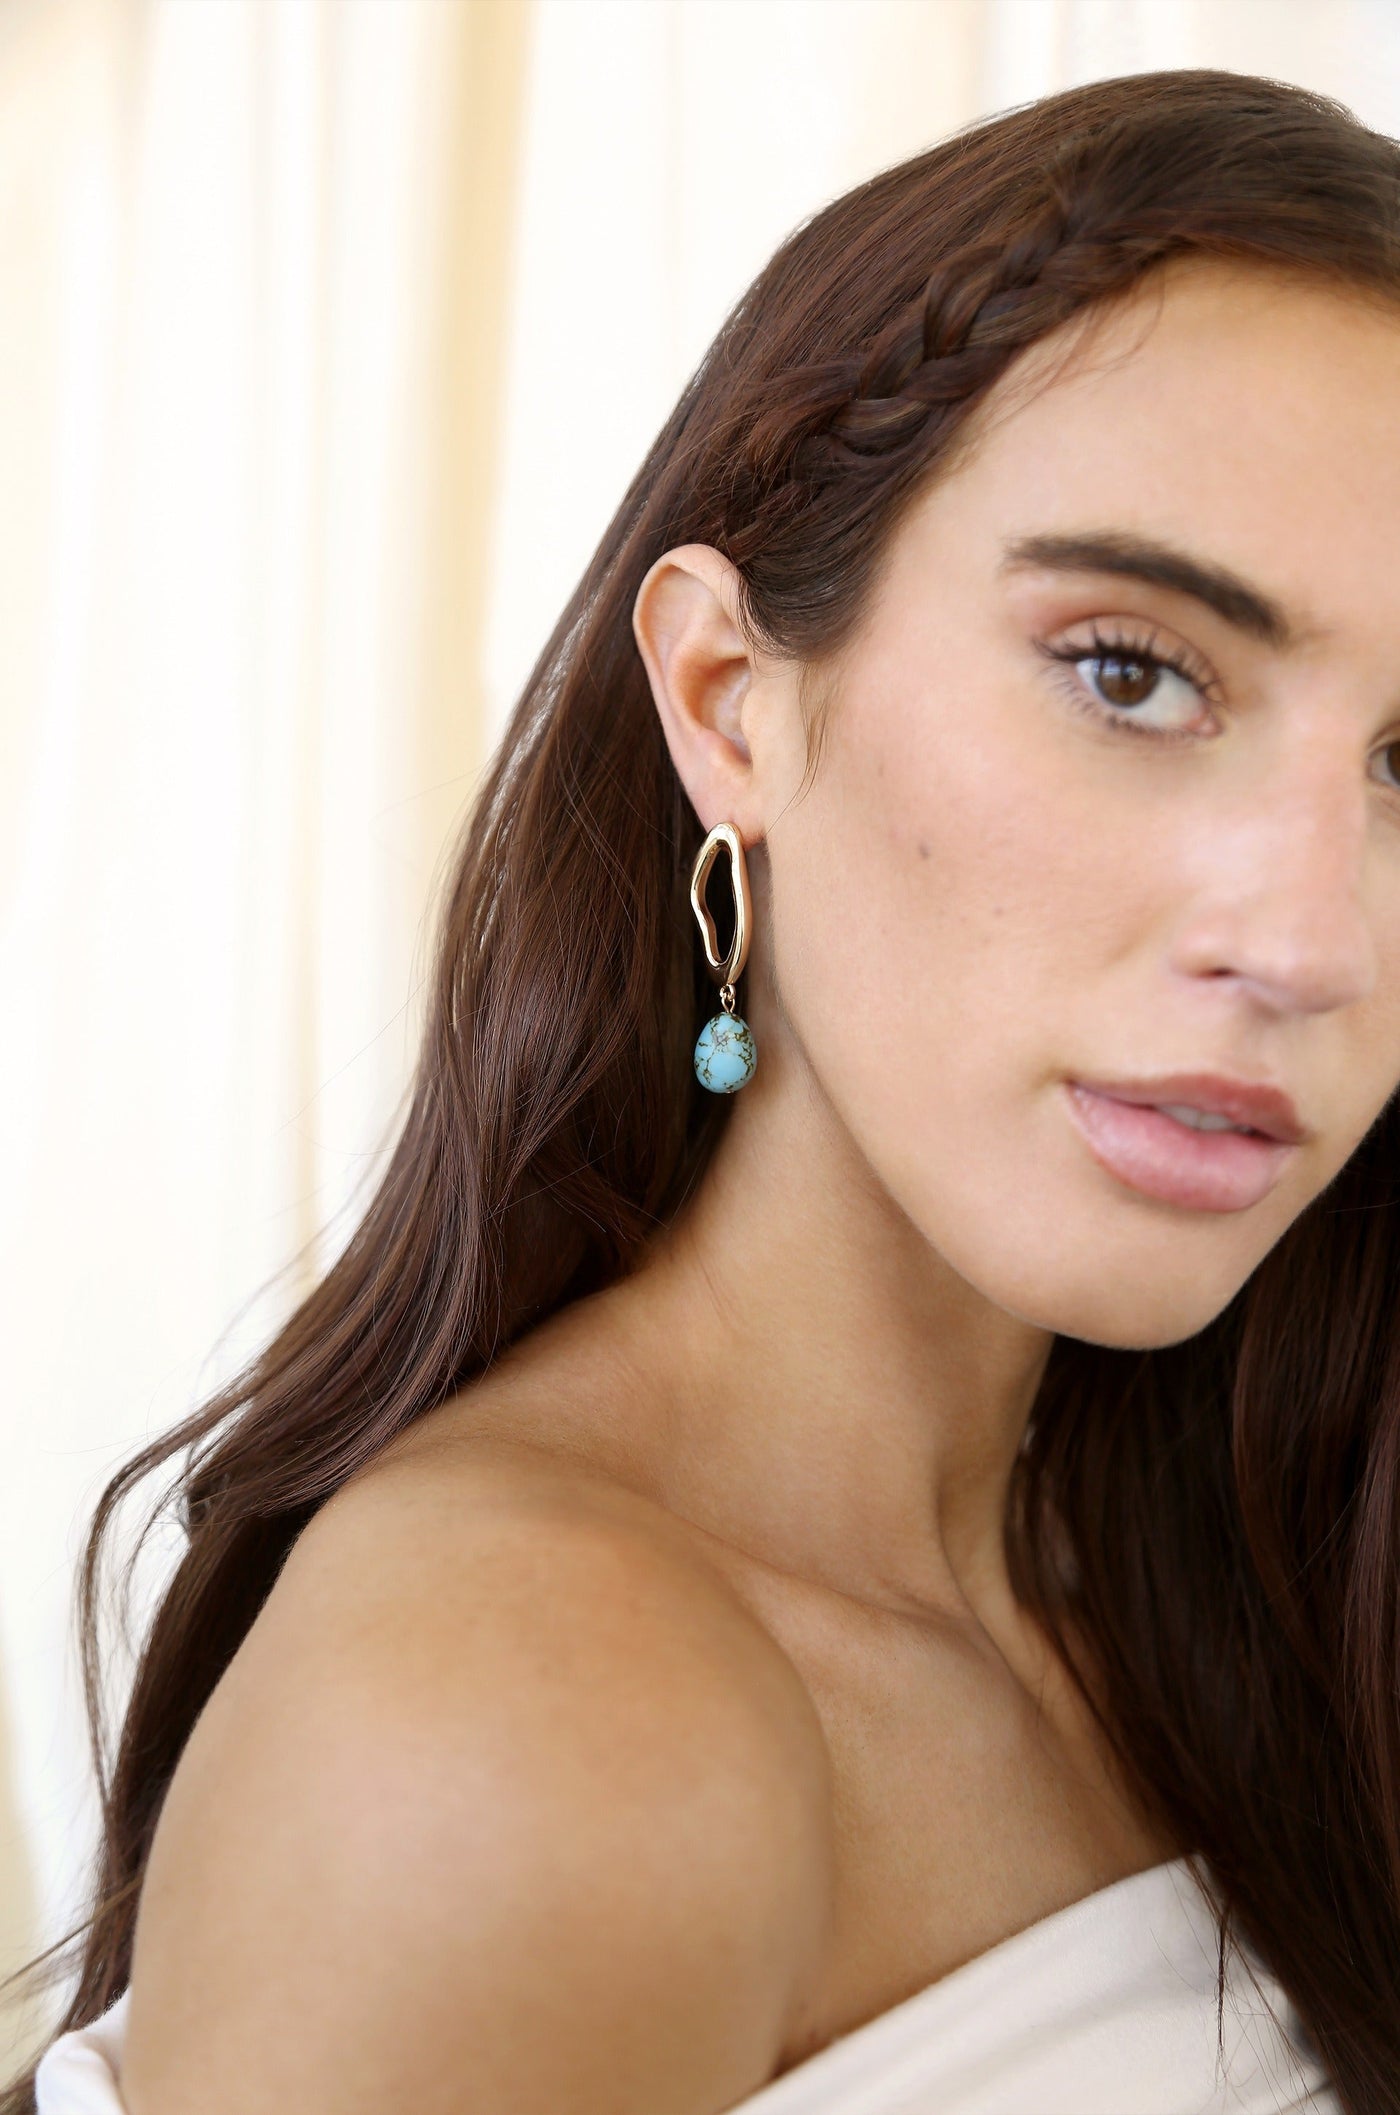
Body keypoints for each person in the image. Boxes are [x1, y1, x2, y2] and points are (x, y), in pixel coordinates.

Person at [12, 64, 1400, 2115]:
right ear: (730, 704)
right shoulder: (518, 1720)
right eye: (1130, 669)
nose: (1309, 941)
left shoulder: (1214, 1568)